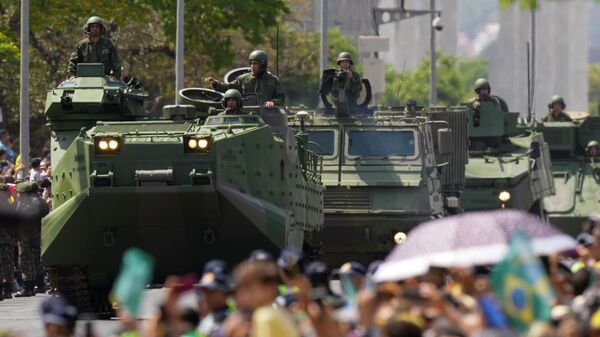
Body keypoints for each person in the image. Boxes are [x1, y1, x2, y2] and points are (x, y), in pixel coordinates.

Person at [232, 260, 300, 337]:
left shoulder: (263, 316)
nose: (245, 295)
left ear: (269, 288)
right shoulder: (281, 312)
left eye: (250, 289)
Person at [205, 50, 285, 108]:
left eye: (255, 63)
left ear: (263, 64)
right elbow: (229, 88)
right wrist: (216, 83)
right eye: (251, 63)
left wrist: (273, 102)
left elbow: (281, 98)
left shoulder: (273, 80)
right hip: (246, 115)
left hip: (267, 115)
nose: (252, 66)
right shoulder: (243, 79)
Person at [14, 181, 49, 296]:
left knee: (24, 261)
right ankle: (39, 284)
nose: (17, 195)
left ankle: (28, 288)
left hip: (26, 236)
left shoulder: (27, 206)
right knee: (35, 261)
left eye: (18, 193)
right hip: (36, 235)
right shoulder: (40, 202)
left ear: (23, 193)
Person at [67, 16, 122, 80]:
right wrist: (72, 75)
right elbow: (73, 62)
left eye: (97, 27)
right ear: (88, 28)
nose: (95, 29)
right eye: (92, 26)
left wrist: (115, 75)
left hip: (105, 80)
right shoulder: (82, 45)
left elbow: (116, 62)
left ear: (101, 28)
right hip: (83, 80)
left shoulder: (108, 44)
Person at [196, 266, 232, 337]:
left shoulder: (237, 317)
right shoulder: (205, 322)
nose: (207, 296)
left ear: (225, 290)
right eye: (204, 290)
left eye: (211, 291)